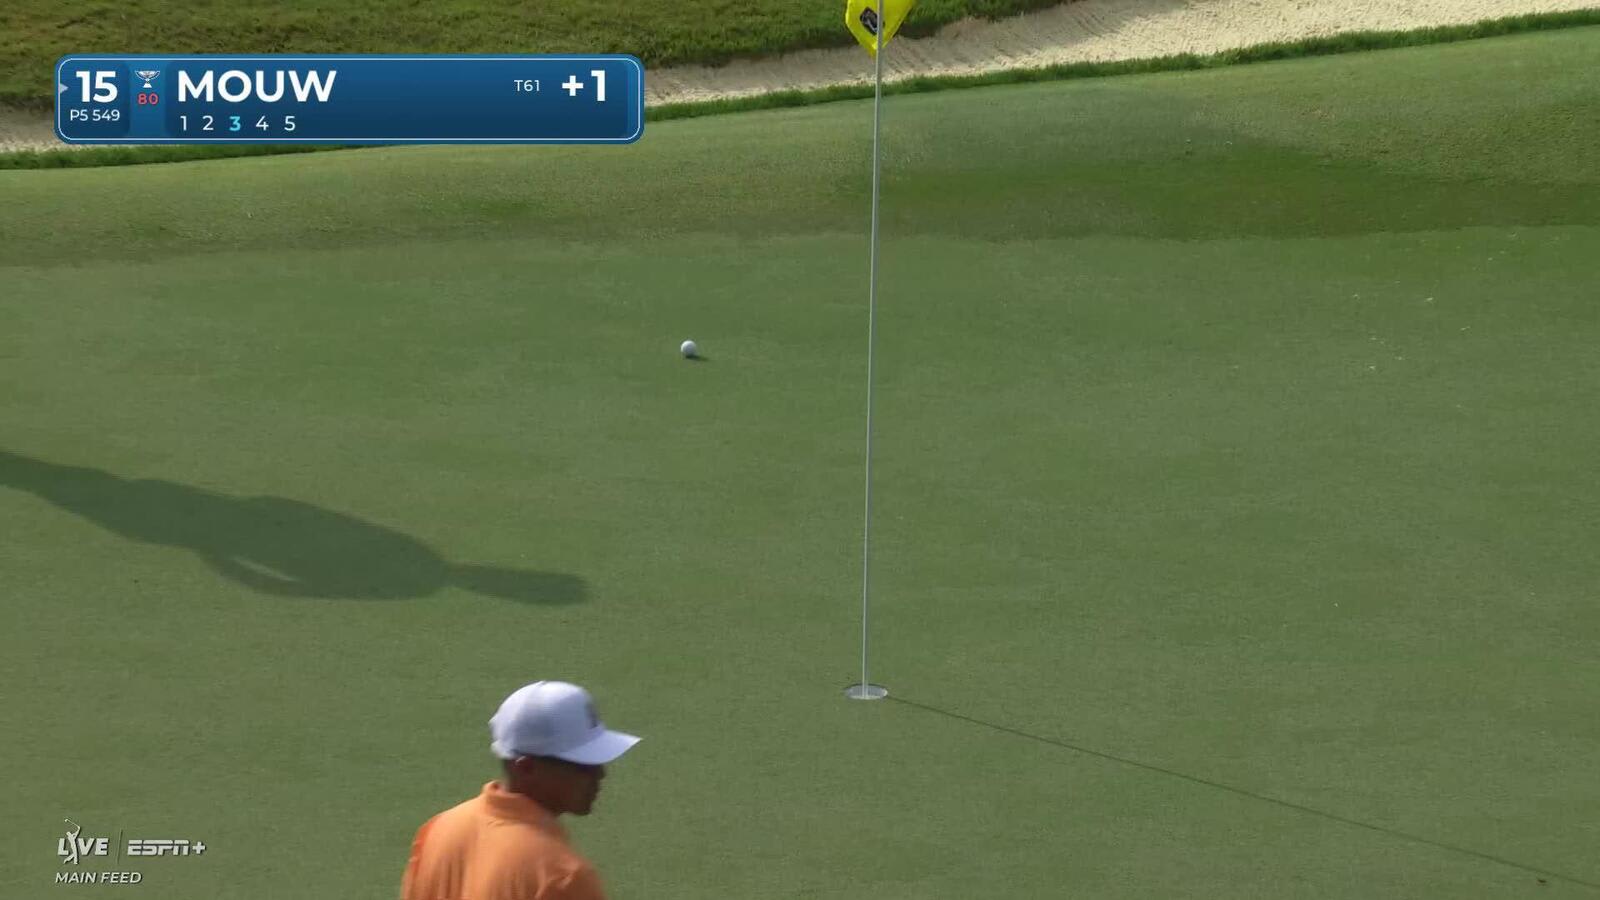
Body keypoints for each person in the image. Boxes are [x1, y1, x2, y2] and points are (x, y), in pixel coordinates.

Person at [400, 681, 640, 900]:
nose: (599, 774)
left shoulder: (437, 831)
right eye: (582, 765)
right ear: (526, 768)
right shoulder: (562, 877)